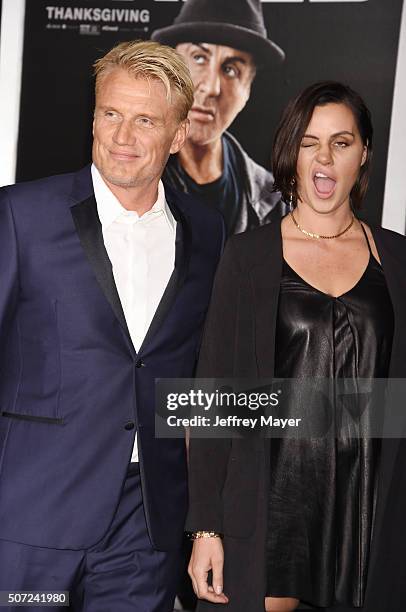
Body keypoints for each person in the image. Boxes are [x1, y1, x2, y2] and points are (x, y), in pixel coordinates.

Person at [0, 40, 225, 612]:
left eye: (145, 120)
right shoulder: (21, 214)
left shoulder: (206, 233)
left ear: (178, 136)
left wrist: (206, 522)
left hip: (145, 524)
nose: (121, 137)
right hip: (32, 514)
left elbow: (202, 380)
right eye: (111, 114)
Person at [186, 81, 406, 612]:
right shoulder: (247, 257)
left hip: (369, 521)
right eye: (310, 142)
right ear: (292, 152)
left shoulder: (398, 259)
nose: (324, 158)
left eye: (341, 142)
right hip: (268, 513)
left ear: (364, 153)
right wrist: (205, 528)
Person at [152, 0, 288, 235]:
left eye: (231, 69)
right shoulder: (133, 177)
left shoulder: (273, 202)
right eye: (199, 58)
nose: (212, 87)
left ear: (247, 89)